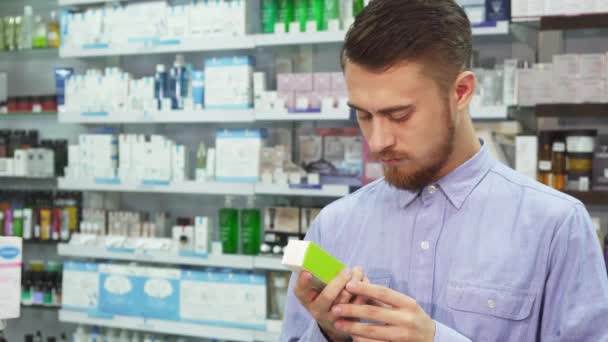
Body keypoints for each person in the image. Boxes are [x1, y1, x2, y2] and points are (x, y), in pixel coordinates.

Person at [280, 0, 608, 341]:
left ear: (461, 92)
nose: (377, 142)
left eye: (400, 115)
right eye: (363, 115)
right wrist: (331, 333)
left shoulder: (555, 225)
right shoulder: (334, 226)